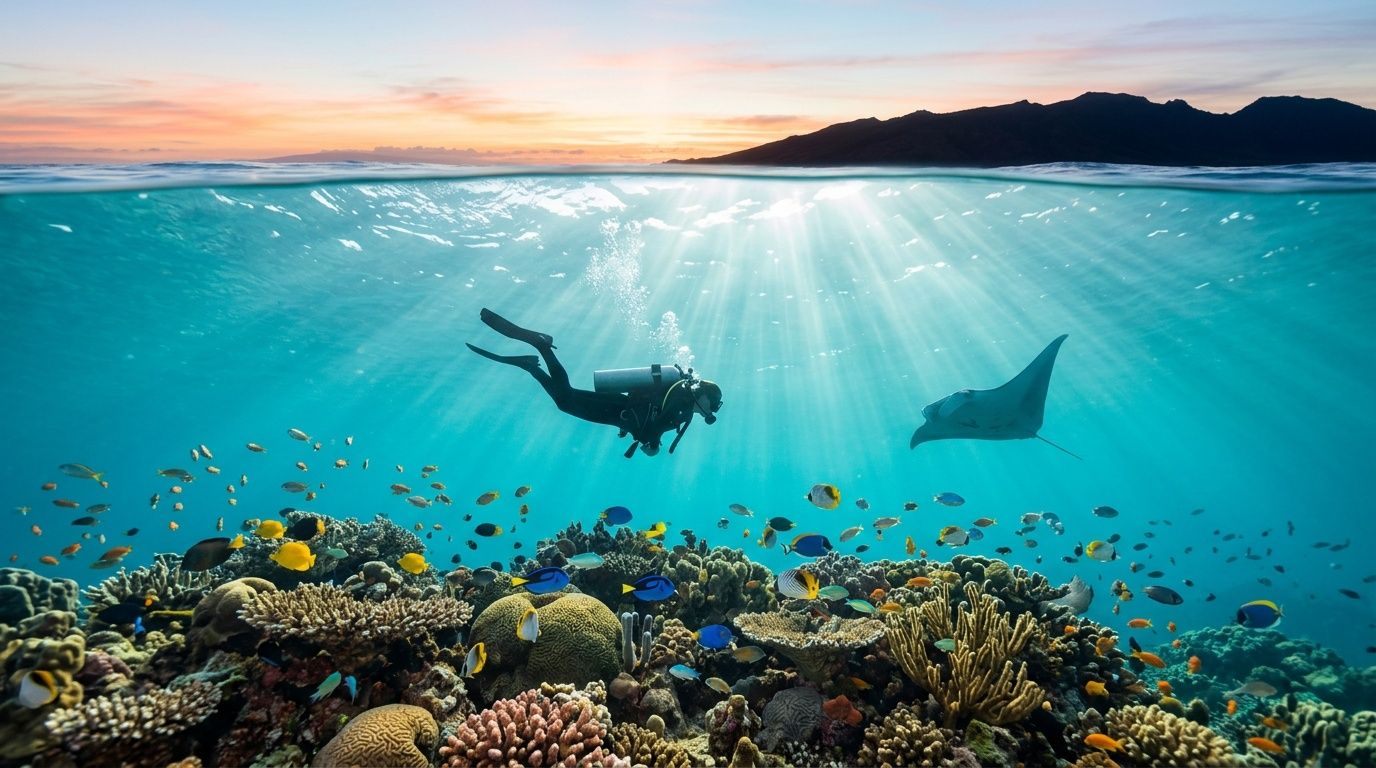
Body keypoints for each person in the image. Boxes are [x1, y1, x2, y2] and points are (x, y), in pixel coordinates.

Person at [467, 308, 722, 457]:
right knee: (566, 399)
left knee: (565, 400)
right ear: (704, 397)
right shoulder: (683, 408)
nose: (711, 410)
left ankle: (533, 363)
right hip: (618, 410)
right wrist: (652, 447)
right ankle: (541, 349)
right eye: (713, 404)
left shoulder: (682, 401)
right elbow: (652, 429)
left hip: (619, 411)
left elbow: (653, 418)